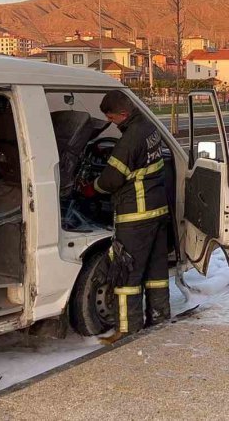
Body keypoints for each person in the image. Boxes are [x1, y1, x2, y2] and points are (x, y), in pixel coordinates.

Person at [90, 90, 170, 344]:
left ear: (123, 114)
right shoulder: (148, 126)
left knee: (127, 274)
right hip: (158, 210)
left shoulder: (128, 140)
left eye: (112, 118)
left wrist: (92, 187)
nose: (112, 122)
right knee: (156, 271)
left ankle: (128, 330)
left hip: (135, 214)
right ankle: (159, 318)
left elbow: (110, 180)